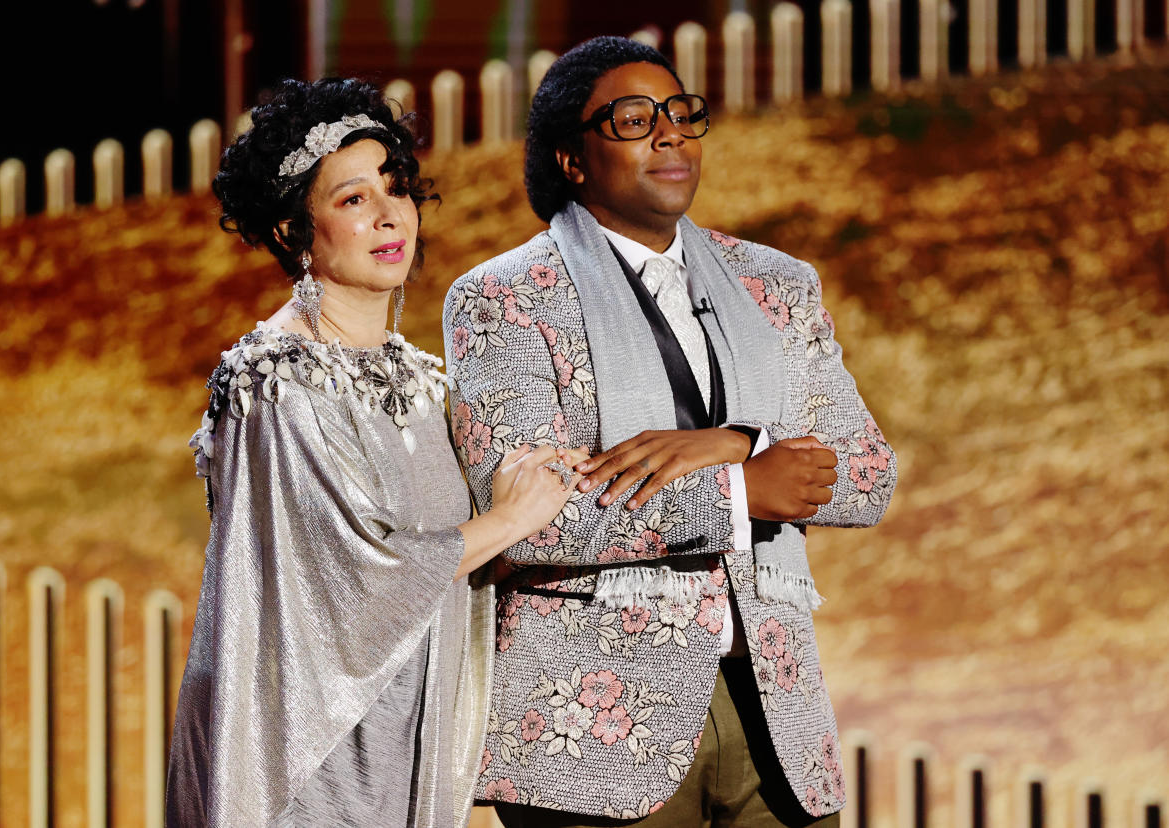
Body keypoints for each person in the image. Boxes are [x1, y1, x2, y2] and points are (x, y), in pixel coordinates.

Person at [443, 37, 896, 827]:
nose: (671, 134)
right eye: (633, 118)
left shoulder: (776, 285)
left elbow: (867, 475)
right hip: (590, 732)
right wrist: (742, 488)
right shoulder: (503, 299)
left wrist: (734, 442)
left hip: (771, 715)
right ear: (572, 158)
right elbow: (530, 521)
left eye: (683, 114)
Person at [167, 77, 581, 828]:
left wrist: (526, 482)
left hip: (403, 735)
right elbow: (357, 569)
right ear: (296, 231)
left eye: (397, 188)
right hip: (307, 757)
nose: (390, 215)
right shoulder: (275, 382)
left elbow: (448, 550)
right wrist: (513, 517)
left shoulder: (421, 380)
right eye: (353, 199)